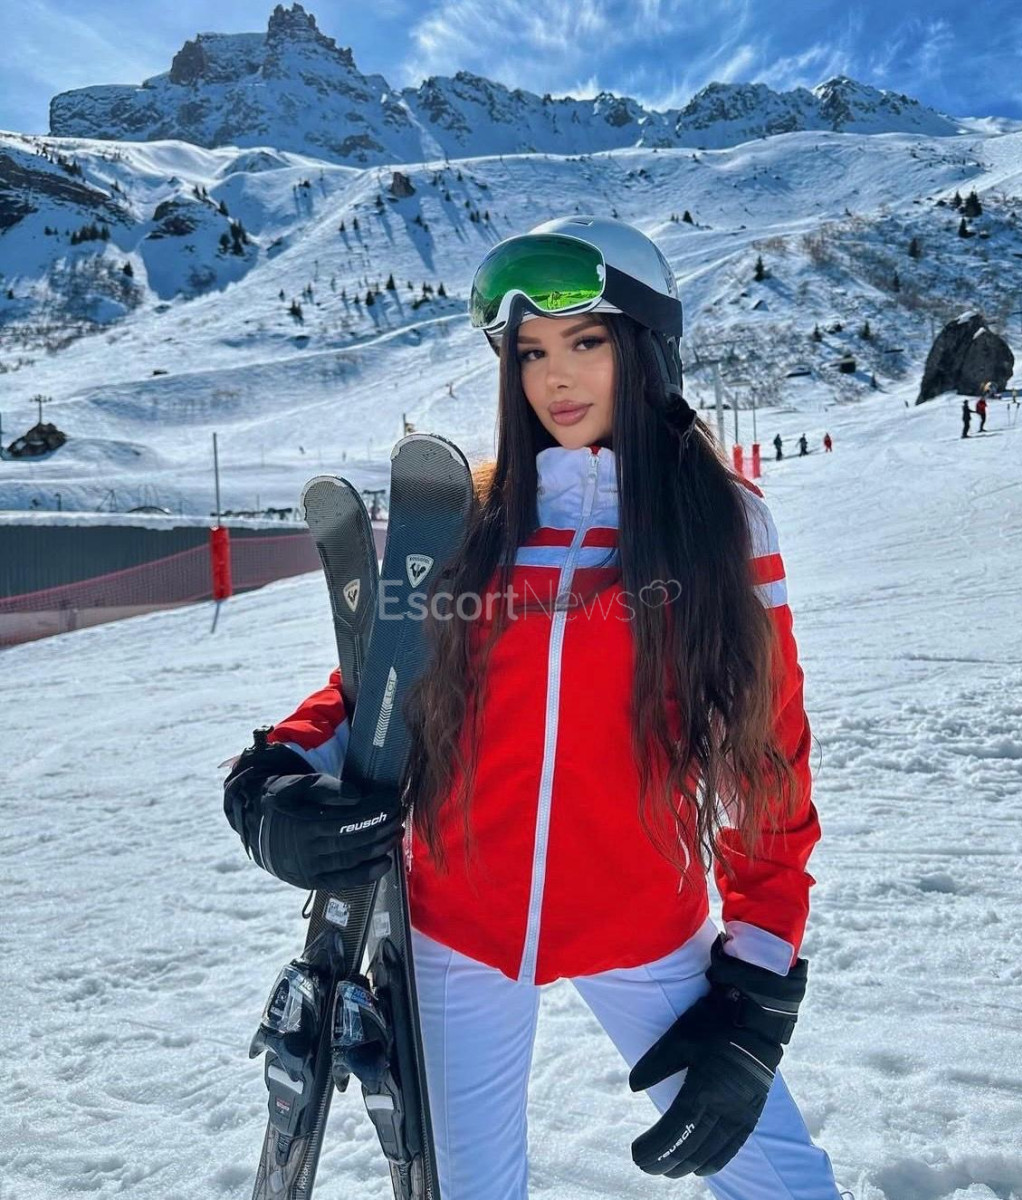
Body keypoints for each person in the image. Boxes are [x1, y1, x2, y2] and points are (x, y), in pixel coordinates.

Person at [223, 216, 841, 1200]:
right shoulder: (471, 519)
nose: (554, 378)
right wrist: (273, 780)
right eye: (529, 353)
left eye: (584, 342)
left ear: (646, 347)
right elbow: (380, 689)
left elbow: (765, 752)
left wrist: (758, 988)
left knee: (783, 1184)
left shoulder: (719, 525)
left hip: (641, 919)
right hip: (456, 926)